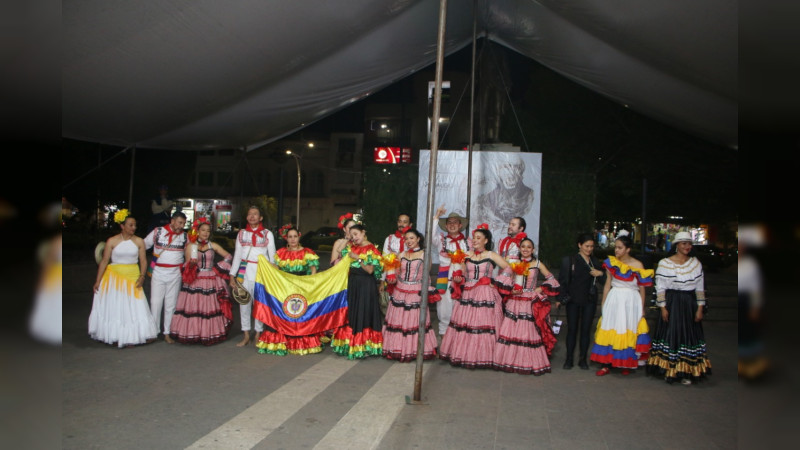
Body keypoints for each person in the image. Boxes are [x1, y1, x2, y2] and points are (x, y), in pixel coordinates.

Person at [439, 224, 512, 369]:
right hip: (468, 292)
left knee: (484, 325)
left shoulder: (491, 255)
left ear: (486, 240)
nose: (475, 240)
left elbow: (509, 268)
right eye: (474, 238)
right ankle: (465, 354)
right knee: (466, 324)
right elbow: (461, 273)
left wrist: (495, 282)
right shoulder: (466, 255)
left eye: (479, 238)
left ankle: (486, 357)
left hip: (485, 293)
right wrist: (459, 278)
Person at [646, 231, 712, 384]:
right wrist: (663, 307)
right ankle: (668, 368)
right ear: (677, 245)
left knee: (688, 335)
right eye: (684, 243)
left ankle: (686, 371)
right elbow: (660, 287)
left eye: (689, 244)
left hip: (689, 302)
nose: (687, 246)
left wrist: (700, 307)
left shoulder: (695, 263)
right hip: (672, 302)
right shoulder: (665, 263)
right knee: (671, 334)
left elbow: (700, 287)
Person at [89, 210, 158, 347]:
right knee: (117, 306)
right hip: (114, 277)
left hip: (132, 275)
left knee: (135, 306)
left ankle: (137, 334)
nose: (134, 228)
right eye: (131, 225)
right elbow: (104, 261)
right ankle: (117, 335)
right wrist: (98, 281)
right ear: (122, 226)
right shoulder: (112, 241)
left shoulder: (139, 241)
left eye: (135, 225)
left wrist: (142, 276)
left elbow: (143, 261)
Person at [493, 238, 560, 375]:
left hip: (529, 300)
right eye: (523, 247)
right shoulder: (513, 263)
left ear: (533, 250)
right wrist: (512, 289)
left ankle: (527, 361)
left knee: (527, 330)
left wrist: (540, 289)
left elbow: (552, 279)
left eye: (529, 247)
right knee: (512, 329)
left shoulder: (537, 264)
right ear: (519, 249)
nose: (525, 249)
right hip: (515, 300)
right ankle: (510, 360)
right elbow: (503, 280)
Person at [590, 235, 652, 376]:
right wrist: (604, 303)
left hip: (631, 301)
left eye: (620, 247)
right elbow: (607, 285)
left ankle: (626, 363)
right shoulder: (611, 263)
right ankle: (606, 364)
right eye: (616, 247)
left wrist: (642, 308)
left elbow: (642, 289)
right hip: (615, 298)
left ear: (628, 249)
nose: (616, 250)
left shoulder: (638, 265)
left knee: (627, 328)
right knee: (610, 328)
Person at [257, 224, 322, 355]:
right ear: (286, 239)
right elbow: (276, 270)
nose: (292, 239)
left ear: (299, 236)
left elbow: (313, 273)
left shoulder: (307, 253)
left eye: (295, 236)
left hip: (302, 289)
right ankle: (281, 341)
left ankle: (301, 342)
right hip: (285, 289)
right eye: (290, 237)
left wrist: (310, 286)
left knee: (300, 315)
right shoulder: (281, 253)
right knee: (284, 313)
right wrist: (265, 264)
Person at [169, 218, 234, 345]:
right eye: (203, 230)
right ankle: (194, 333)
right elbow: (187, 266)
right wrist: (192, 266)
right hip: (195, 279)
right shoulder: (191, 246)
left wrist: (218, 268)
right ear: (197, 231)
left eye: (208, 231)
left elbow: (228, 256)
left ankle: (207, 333)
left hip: (210, 278)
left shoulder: (212, 245)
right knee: (194, 307)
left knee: (208, 308)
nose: (205, 233)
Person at [382, 229, 440, 362]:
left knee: (413, 321)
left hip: (416, 290)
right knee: (398, 321)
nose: (409, 241)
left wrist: (427, 291)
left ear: (418, 239)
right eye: (407, 239)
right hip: (400, 290)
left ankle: (413, 350)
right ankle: (396, 349)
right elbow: (396, 272)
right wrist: (391, 277)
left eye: (412, 238)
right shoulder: (401, 254)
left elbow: (427, 274)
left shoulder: (425, 254)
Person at [331, 224, 384, 359]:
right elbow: (338, 250)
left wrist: (358, 258)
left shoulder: (371, 248)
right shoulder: (352, 246)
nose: (355, 238)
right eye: (352, 235)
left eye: (356, 234)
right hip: (353, 283)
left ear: (363, 232)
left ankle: (363, 345)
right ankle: (351, 343)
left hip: (365, 285)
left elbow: (370, 270)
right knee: (352, 312)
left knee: (364, 312)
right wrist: (347, 239)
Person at [228, 206, 277, 347]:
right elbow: (237, 255)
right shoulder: (242, 233)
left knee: (259, 305)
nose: (252, 216)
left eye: (255, 214)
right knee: (244, 303)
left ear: (261, 218)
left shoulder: (267, 234)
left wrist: (273, 274)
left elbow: (272, 257)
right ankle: (246, 334)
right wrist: (232, 275)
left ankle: (258, 333)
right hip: (244, 272)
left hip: (260, 272)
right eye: (250, 214)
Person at [557, 232, 606, 370]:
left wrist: (600, 273)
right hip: (573, 299)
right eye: (587, 246)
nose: (589, 249)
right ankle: (569, 358)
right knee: (572, 329)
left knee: (586, 330)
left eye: (592, 246)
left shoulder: (594, 261)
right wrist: (560, 298)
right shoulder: (570, 260)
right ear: (579, 245)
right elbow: (563, 281)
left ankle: (583, 359)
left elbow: (604, 280)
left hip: (589, 299)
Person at [144, 211, 187, 344]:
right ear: (172, 221)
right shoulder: (157, 232)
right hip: (158, 272)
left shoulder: (185, 237)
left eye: (184, 223)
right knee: (155, 302)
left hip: (175, 273)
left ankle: (167, 332)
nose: (181, 226)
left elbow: (189, 252)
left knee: (171, 304)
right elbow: (143, 245)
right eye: (180, 222)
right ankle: (154, 331)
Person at [431, 206, 472, 336]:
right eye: (449, 222)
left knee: (461, 311)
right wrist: (436, 216)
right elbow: (431, 236)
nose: (452, 225)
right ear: (446, 226)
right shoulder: (441, 240)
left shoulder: (468, 242)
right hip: (445, 279)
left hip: (463, 280)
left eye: (455, 222)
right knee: (443, 311)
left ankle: (458, 345)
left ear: (460, 225)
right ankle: (443, 344)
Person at [380, 213, 413, 314]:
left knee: (407, 308)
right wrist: (382, 281)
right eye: (400, 221)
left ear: (410, 225)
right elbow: (385, 261)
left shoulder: (413, 240)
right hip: (392, 279)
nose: (401, 224)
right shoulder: (389, 239)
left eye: (405, 222)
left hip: (409, 279)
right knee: (392, 307)